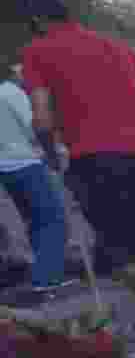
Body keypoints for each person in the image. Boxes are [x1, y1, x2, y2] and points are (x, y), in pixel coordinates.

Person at [19, 0, 135, 342]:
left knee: (119, 248)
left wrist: (52, 156)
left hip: (96, 160)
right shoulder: (114, 45)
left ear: (38, 21)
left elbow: (41, 119)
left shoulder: (36, 52)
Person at [1, 57, 75, 303]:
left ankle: (41, 273)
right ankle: (46, 279)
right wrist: (55, 153)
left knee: (36, 221)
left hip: (7, 167)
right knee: (52, 220)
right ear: (15, 70)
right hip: (26, 162)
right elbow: (35, 127)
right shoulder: (13, 94)